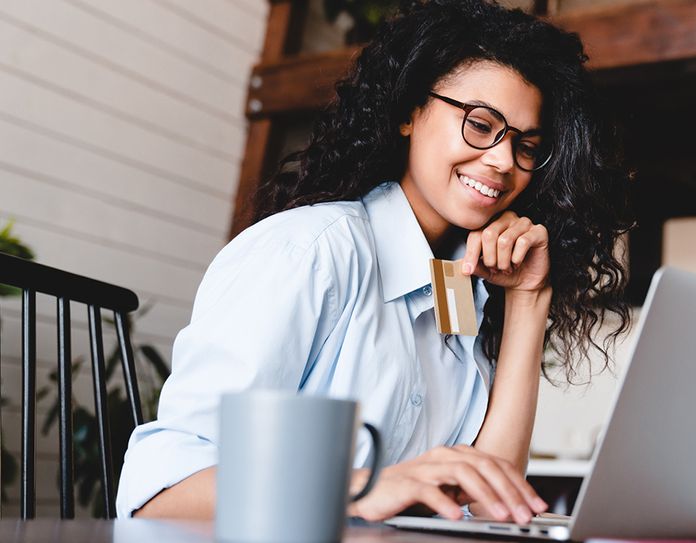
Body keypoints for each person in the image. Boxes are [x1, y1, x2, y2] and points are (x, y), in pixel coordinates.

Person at [116, 0, 632, 524]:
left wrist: (528, 297)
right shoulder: (311, 251)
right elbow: (160, 494)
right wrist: (364, 489)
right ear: (409, 112)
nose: (503, 160)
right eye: (480, 124)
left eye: (526, 145)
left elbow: (488, 503)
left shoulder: (460, 287)